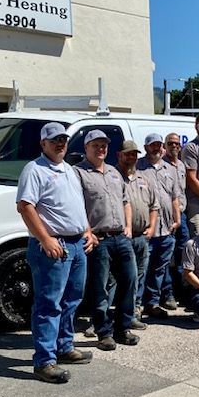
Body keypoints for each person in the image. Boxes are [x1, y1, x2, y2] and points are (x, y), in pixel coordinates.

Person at [16, 122, 96, 384]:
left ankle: (64, 347)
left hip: (76, 245)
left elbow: (76, 205)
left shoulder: (69, 170)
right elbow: (26, 207)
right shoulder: (35, 170)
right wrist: (46, 239)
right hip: (53, 247)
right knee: (48, 304)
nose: (60, 143)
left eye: (63, 139)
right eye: (54, 140)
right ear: (43, 144)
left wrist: (87, 231)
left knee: (72, 299)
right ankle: (44, 362)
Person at [73, 130, 141, 351]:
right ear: (87, 148)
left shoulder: (113, 172)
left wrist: (128, 226)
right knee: (100, 287)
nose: (101, 149)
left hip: (121, 237)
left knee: (130, 280)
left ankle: (123, 327)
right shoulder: (78, 173)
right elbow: (76, 207)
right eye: (96, 145)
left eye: (104, 145)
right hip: (98, 240)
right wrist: (87, 232)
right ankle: (104, 332)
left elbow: (125, 201)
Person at [136, 133, 181, 319]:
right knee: (141, 269)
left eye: (158, 145)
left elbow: (175, 197)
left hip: (167, 229)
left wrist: (177, 219)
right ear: (146, 147)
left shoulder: (169, 169)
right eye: (152, 145)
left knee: (159, 269)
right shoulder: (137, 167)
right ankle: (136, 305)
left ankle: (152, 303)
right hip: (147, 229)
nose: (156, 148)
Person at [117, 140, 160, 320]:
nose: (131, 157)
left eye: (134, 154)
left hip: (142, 236)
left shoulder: (144, 179)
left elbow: (154, 206)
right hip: (121, 237)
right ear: (120, 155)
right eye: (128, 154)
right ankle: (114, 313)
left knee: (140, 275)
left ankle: (135, 309)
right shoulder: (113, 176)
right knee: (118, 278)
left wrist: (151, 227)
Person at [160, 132, 189, 309]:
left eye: (177, 144)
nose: (174, 146)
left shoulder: (181, 165)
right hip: (165, 217)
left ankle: (181, 291)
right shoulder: (160, 166)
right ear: (165, 145)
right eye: (170, 143)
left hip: (183, 215)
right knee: (166, 257)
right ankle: (167, 293)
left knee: (183, 255)